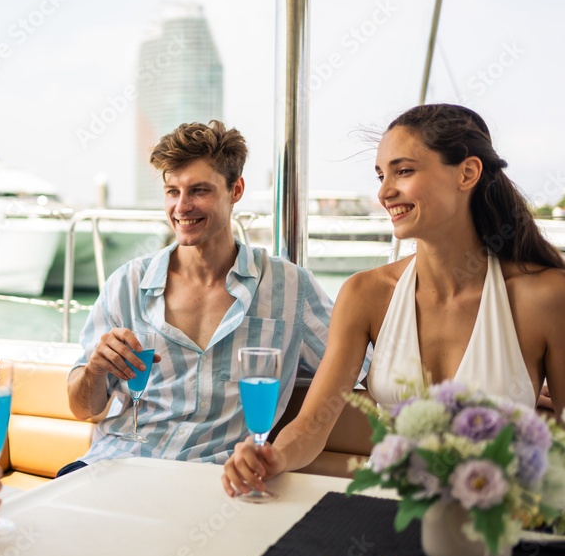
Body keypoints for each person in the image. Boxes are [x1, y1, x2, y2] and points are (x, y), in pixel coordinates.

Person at [223, 103, 565, 498]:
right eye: (381, 175)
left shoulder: (544, 297)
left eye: (404, 171)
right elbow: (311, 426)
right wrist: (274, 456)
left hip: (496, 524)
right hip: (387, 513)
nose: (385, 192)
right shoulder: (366, 294)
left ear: (467, 173)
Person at [63, 120, 334, 473]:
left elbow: (357, 369)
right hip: (116, 465)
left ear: (236, 189)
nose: (181, 206)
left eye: (199, 191)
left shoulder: (291, 288)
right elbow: (82, 408)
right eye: (172, 191)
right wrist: (95, 370)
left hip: (218, 478)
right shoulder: (126, 284)